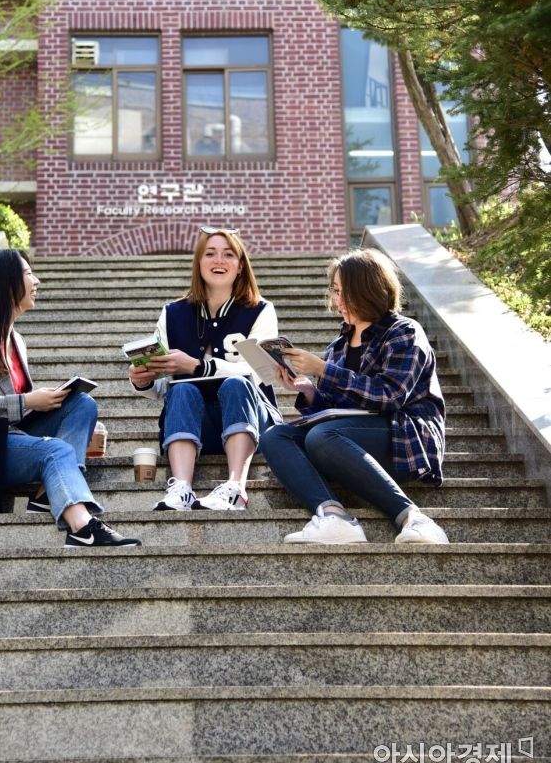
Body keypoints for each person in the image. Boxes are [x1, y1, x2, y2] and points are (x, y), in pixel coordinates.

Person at [0, 248, 141, 548]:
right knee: (56, 450)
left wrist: (44, 400)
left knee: (80, 403)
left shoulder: (16, 339)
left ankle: (45, 495)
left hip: (9, 434)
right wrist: (29, 401)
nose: (37, 280)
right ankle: (82, 528)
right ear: (5, 284)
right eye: (28, 274)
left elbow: (16, 407)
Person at [259, 247, 449, 545]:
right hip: (346, 439)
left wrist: (323, 370)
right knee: (275, 436)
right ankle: (334, 518)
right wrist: (308, 391)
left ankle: (414, 518)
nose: (339, 300)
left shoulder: (404, 332)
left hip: (403, 434)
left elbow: (389, 396)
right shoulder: (338, 346)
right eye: (335, 291)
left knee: (322, 436)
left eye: (346, 291)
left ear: (370, 290)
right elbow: (336, 411)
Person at [129, 226, 282, 511]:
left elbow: (260, 372)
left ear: (240, 266)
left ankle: (235, 487)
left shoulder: (261, 310)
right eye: (210, 254)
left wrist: (200, 365)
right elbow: (163, 386)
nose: (218, 260)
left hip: (251, 423)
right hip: (196, 426)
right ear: (199, 263)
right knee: (182, 389)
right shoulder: (173, 312)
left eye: (228, 254)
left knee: (237, 383)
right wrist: (144, 380)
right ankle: (181, 489)